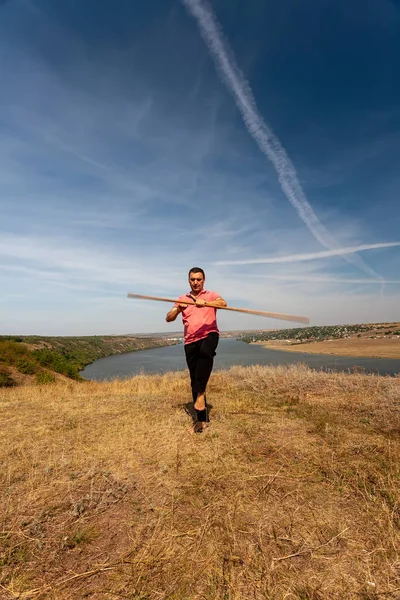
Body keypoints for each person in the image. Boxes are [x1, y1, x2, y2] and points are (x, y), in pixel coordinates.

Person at [166, 267, 227, 432]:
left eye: (198, 279)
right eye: (192, 279)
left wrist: (205, 303)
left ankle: (200, 397)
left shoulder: (211, 295)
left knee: (206, 354)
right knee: (195, 378)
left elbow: (223, 303)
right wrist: (178, 309)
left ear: (203, 280)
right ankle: (201, 420)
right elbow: (168, 318)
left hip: (208, 334)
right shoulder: (182, 299)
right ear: (189, 281)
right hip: (190, 341)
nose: (195, 282)